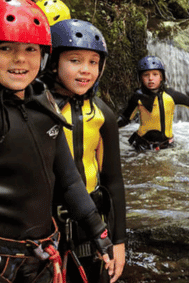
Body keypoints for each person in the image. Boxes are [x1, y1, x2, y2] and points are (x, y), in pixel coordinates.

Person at [0, 0, 113, 283]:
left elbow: (69, 180)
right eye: (6, 48)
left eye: (31, 49)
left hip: (42, 258)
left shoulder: (45, 109)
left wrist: (99, 232)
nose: (20, 59)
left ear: (44, 56)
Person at [43, 19, 127, 283]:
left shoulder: (103, 114)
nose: (86, 71)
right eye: (75, 60)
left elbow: (113, 181)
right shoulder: (38, 109)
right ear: (54, 63)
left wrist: (119, 241)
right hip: (46, 223)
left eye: (93, 62)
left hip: (91, 224)